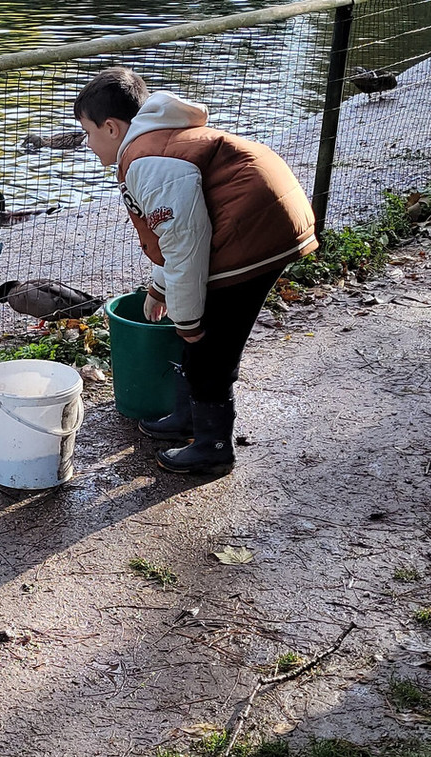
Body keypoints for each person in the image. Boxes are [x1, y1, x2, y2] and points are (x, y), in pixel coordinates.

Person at [73, 67, 317, 475]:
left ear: (112, 128)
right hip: (259, 221)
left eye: (88, 132)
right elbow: (178, 236)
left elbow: (187, 245)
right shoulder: (155, 142)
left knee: (208, 342)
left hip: (253, 235)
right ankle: (188, 420)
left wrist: (186, 318)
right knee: (207, 337)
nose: (86, 142)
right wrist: (159, 288)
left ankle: (213, 447)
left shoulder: (148, 161)